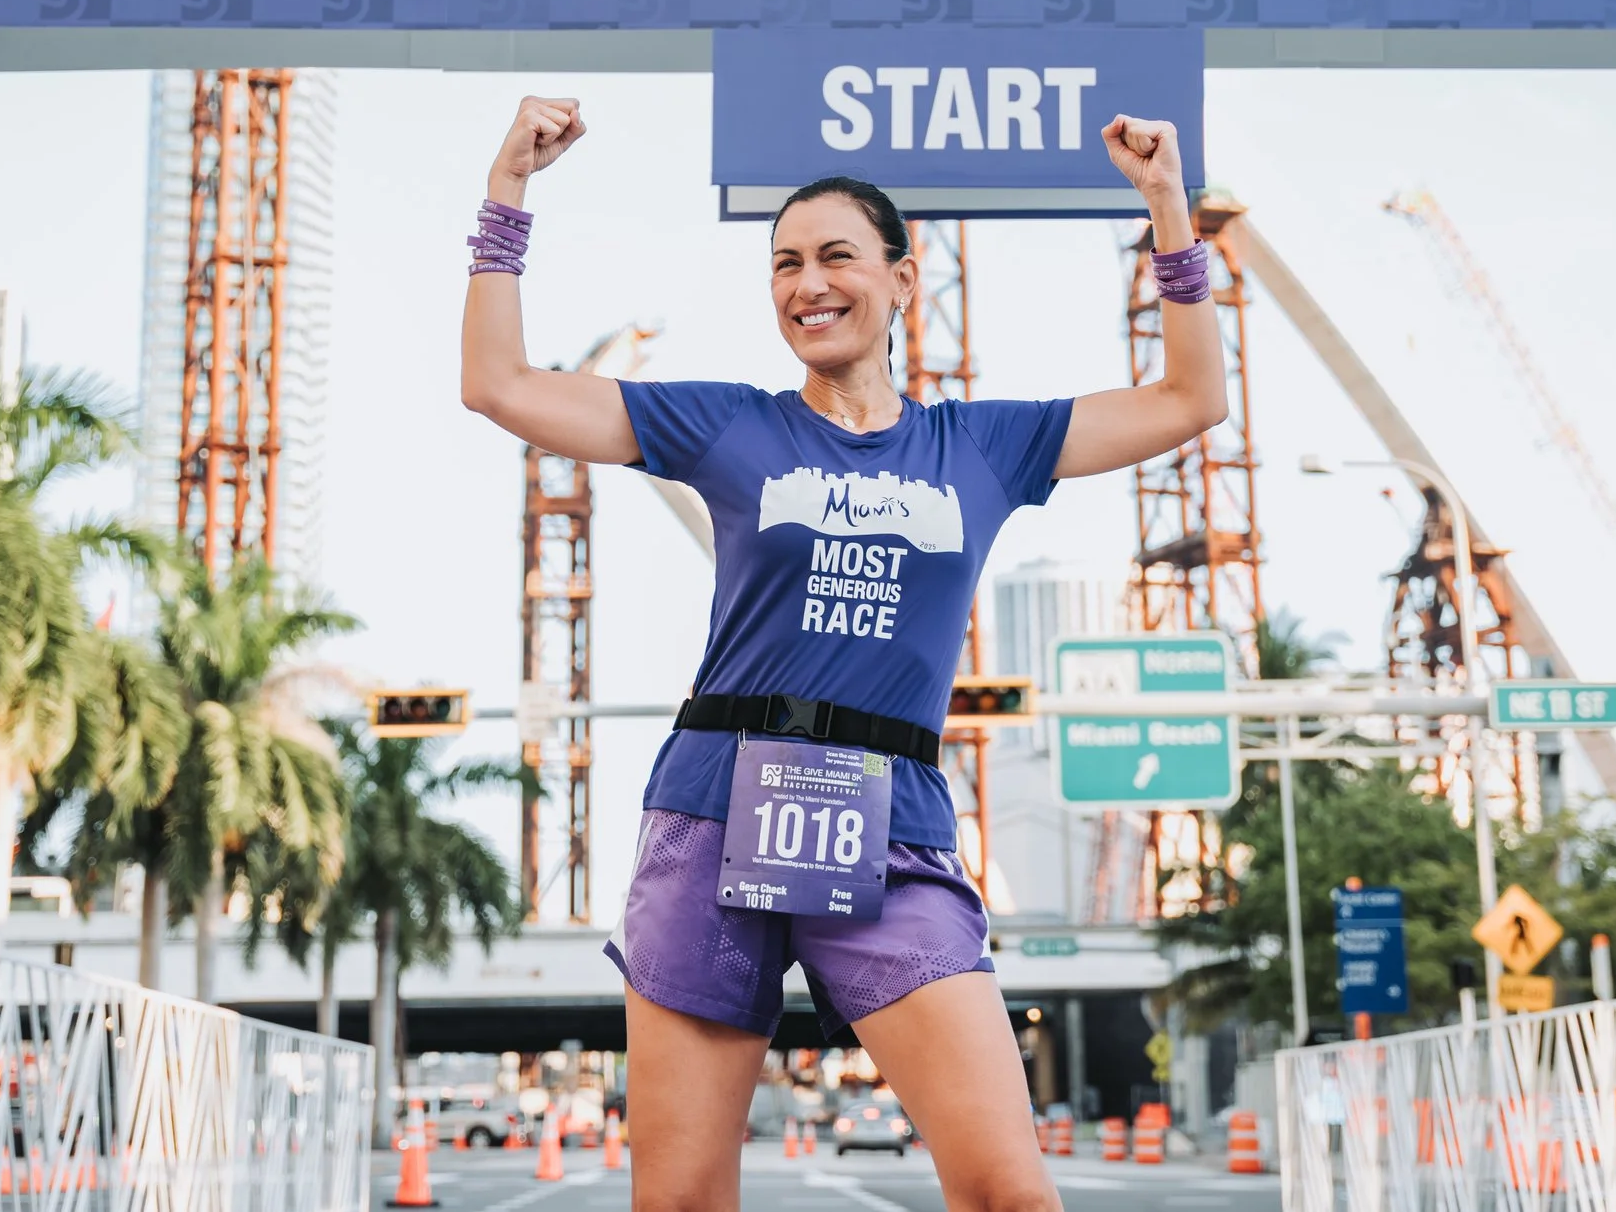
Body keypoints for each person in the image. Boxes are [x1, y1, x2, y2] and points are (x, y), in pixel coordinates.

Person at [461, 96, 1227, 1212]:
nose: (806, 282)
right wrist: (507, 195)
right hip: (714, 804)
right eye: (783, 263)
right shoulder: (731, 424)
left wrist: (1167, 207)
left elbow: (1190, 398)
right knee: (675, 1200)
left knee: (1012, 1191)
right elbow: (500, 387)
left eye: (834, 256)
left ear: (901, 281)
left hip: (891, 821)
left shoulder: (981, 444)